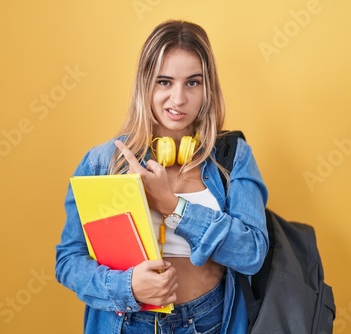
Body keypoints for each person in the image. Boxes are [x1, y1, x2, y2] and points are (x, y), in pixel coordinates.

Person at [55, 19, 268, 334]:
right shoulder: (103, 162)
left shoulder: (232, 156)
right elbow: (68, 261)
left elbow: (252, 253)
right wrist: (127, 287)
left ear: (207, 87)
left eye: (192, 83)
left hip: (207, 322)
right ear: (146, 85)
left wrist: (173, 206)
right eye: (164, 82)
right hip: (127, 323)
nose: (178, 99)